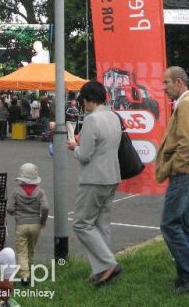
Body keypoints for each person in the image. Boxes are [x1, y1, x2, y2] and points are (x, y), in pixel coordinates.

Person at [155, 65, 189, 294]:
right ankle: (186, 274)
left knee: (169, 225)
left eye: (166, 82)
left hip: (185, 172)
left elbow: (186, 142)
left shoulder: (186, 104)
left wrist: (174, 168)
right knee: (182, 225)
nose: (163, 87)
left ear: (179, 82)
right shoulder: (188, 103)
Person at [67, 80, 123, 286]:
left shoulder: (92, 120)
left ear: (88, 100)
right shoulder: (113, 117)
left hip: (94, 178)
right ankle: (102, 269)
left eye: (83, 101)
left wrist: (74, 146)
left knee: (81, 223)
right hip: (112, 176)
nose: (83, 105)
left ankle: (108, 264)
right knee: (101, 224)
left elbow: (85, 155)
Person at [7, 163, 49, 286]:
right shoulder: (40, 192)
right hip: (36, 224)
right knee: (31, 248)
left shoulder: (16, 192)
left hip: (21, 224)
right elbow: (45, 207)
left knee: (21, 251)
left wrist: (14, 212)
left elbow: (10, 208)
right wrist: (43, 220)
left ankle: (25, 275)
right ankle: (30, 268)